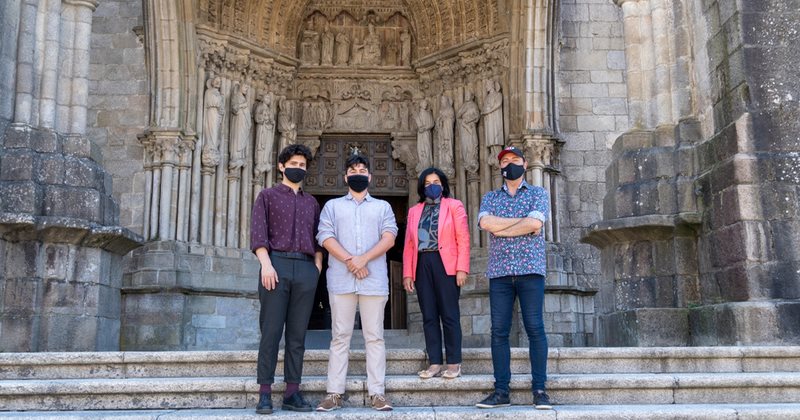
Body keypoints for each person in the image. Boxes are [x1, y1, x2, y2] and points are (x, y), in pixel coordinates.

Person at [315, 154, 398, 412]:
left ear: (370, 177)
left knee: (374, 337)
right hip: (341, 281)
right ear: (346, 177)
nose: (358, 173)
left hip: (373, 282)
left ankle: (378, 393)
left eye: (362, 170)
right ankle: (334, 393)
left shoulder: (382, 207)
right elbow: (324, 236)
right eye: (353, 170)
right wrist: (351, 260)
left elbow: (390, 236)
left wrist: (363, 260)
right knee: (340, 337)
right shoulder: (332, 206)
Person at [475, 146, 552, 410]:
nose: (510, 164)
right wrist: (519, 223)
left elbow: (535, 224)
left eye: (514, 160)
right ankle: (501, 391)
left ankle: (540, 389)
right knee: (499, 332)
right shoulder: (489, 197)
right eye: (505, 161)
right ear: (500, 167)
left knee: (535, 328)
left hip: (531, 270)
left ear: (525, 164)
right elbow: (485, 224)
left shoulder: (539, 193)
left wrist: (503, 226)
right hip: (500, 272)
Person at [250, 144, 322, 415]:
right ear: (281, 166)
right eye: (293, 164)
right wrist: (266, 265)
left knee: (297, 336)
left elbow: (318, 238)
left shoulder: (311, 202)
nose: (297, 169)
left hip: (305, 269)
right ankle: (265, 393)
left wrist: (316, 267)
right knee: (270, 332)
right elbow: (258, 234)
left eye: (302, 165)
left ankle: (292, 392)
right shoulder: (266, 196)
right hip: (275, 266)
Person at [402, 167, 470, 380]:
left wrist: (462, 268)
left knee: (449, 315)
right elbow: (409, 244)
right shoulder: (414, 210)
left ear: (443, 185)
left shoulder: (454, 206)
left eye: (436, 182)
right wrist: (407, 272)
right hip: (422, 263)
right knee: (429, 316)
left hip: (446, 264)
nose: (432, 186)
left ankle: (453, 363)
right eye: (427, 183)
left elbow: (463, 238)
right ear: (422, 187)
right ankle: (434, 363)